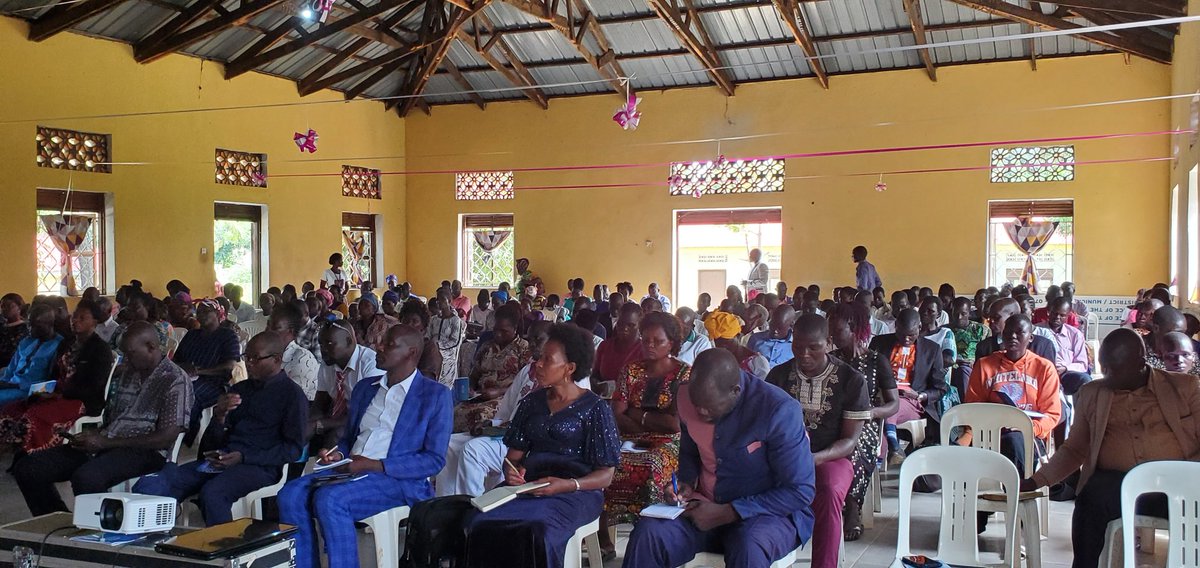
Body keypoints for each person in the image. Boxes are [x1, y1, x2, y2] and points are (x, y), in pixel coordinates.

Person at [1020, 329, 1197, 568]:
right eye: (1105, 367)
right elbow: (1074, 449)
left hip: (1178, 486)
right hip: (1117, 486)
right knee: (1089, 498)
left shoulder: (1186, 388)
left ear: (1140, 363)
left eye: (1116, 368)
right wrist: (1037, 481)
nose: (1107, 374)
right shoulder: (1092, 393)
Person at [623, 349, 814, 567]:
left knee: (748, 545)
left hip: (766, 515)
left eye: (710, 407)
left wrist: (730, 512)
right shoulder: (685, 396)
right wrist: (685, 483)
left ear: (735, 391)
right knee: (649, 533)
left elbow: (800, 491)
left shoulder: (778, 410)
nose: (701, 412)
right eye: (697, 404)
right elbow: (690, 449)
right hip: (704, 508)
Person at [280, 325, 452, 568]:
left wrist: (375, 465)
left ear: (411, 353)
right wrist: (337, 453)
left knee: (330, 500)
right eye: (381, 342)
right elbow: (349, 438)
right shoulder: (366, 388)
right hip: (351, 469)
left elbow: (434, 459)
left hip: (398, 480)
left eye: (389, 344)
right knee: (290, 494)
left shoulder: (434, 395)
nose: (379, 347)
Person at [464, 323, 618, 567]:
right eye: (539, 358)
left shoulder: (595, 409)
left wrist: (567, 485)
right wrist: (511, 473)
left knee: (537, 530)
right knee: (479, 522)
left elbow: (606, 475)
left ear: (569, 368)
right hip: (528, 489)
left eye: (547, 360)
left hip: (577, 493)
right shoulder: (531, 403)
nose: (538, 364)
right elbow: (512, 458)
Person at [14, 322, 193, 516]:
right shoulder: (127, 373)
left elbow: (166, 437)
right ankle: (56, 520)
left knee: (87, 477)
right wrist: (94, 436)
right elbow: (110, 418)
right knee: (27, 468)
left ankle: (96, 533)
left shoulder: (174, 379)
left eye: (131, 353)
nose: (126, 359)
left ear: (151, 347)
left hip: (146, 451)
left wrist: (105, 442)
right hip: (108, 443)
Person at [134, 332, 307, 525]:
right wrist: (219, 417)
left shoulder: (292, 396)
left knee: (213, 493)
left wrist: (244, 457)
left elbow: (292, 449)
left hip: (260, 467)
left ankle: (224, 550)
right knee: (152, 483)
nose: (248, 363)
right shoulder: (240, 390)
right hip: (222, 460)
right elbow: (206, 449)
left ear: (276, 359)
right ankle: (153, 543)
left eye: (255, 359)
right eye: (246, 357)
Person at [766, 314, 869, 568]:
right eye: (798, 346)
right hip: (783, 458)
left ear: (829, 342)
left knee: (829, 488)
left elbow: (850, 440)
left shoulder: (851, 380)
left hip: (830, 458)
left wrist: (814, 459)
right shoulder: (778, 377)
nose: (804, 354)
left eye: (814, 347)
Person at [602, 312, 693, 556]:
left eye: (657, 341)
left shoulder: (683, 375)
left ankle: (649, 537)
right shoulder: (631, 371)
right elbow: (616, 414)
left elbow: (674, 425)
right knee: (602, 459)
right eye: (645, 340)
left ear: (672, 343)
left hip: (669, 443)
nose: (649, 345)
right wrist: (646, 424)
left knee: (652, 463)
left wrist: (637, 414)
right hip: (628, 438)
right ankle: (603, 538)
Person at [436, 321, 555, 497]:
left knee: (473, 450)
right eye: (531, 340)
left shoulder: (560, 373)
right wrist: (490, 425)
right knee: (449, 445)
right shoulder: (528, 369)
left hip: (528, 443)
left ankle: (472, 509)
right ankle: (446, 504)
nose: (533, 345)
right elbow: (507, 407)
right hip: (507, 432)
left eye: (539, 339)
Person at [0, 301, 112, 456]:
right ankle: (14, 449)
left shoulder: (100, 349)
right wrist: (47, 389)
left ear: (95, 321)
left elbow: (94, 386)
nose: (75, 321)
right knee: (13, 408)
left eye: (82, 318)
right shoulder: (67, 343)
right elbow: (54, 374)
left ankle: (32, 455)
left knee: (33, 415)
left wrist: (60, 394)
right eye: (74, 317)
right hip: (57, 392)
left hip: (81, 400)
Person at [829, 303, 898, 541]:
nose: (832, 336)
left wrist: (871, 412)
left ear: (854, 328)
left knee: (854, 446)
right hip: (833, 421)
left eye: (837, 331)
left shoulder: (877, 361)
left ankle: (852, 507)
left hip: (865, 422)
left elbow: (894, 404)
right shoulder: (831, 361)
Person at [965, 315, 1062, 476]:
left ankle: (1017, 491)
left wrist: (1027, 427)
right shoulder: (984, 365)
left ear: (1030, 337)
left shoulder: (1044, 368)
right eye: (1008, 332)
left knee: (1014, 441)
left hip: (1030, 434)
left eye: (1019, 332)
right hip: (991, 431)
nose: (1013, 337)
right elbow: (972, 407)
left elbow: (1051, 414)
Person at [869, 309, 948, 463]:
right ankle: (885, 456)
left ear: (919, 327)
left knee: (891, 406)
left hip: (912, 401)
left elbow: (940, 389)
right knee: (882, 409)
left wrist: (920, 395)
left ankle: (890, 448)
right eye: (902, 334)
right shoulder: (879, 343)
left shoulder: (931, 350)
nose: (906, 339)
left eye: (911, 335)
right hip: (879, 396)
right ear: (896, 326)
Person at [174, 300, 241, 445]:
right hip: (186, 379)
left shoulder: (228, 336)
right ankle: (167, 432)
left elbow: (229, 366)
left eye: (206, 311)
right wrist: (184, 368)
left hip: (215, 383)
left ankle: (185, 441)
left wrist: (199, 371)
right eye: (199, 311)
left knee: (190, 394)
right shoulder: (192, 335)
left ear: (217, 314)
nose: (201, 314)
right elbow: (175, 360)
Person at [456, 307, 530, 432]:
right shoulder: (487, 346)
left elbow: (526, 383)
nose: (498, 334)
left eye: (504, 331)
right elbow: (474, 374)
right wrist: (470, 388)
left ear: (515, 328)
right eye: (495, 330)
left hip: (505, 398)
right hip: (480, 396)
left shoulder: (523, 348)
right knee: (455, 411)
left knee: (481, 415)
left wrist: (499, 391)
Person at [310, 320, 380, 449]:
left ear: (348, 341)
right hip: (338, 416)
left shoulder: (370, 364)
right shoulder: (328, 364)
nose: (323, 349)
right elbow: (320, 401)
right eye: (320, 344)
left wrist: (321, 424)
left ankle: (329, 468)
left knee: (336, 436)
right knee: (299, 429)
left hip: (366, 421)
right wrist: (310, 423)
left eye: (329, 344)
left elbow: (367, 413)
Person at [0, 304, 64, 407]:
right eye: (29, 323)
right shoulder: (26, 341)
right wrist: (4, 382)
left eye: (35, 325)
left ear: (49, 324)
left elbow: (51, 381)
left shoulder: (58, 345)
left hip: (31, 391)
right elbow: (11, 369)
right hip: (10, 384)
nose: (29, 328)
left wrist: (17, 385)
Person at [975, 298, 1057, 363]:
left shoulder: (1043, 345)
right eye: (990, 318)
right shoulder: (984, 347)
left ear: (1012, 315)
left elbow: (1049, 379)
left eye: (996, 317)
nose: (991, 322)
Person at [1041, 296, 1093, 400]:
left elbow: (1082, 364)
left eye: (1062, 315)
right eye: (1055, 313)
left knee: (1085, 380)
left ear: (1068, 316)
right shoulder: (1037, 331)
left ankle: (1081, 414)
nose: (1057, 317)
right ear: (1049, 312)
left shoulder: (1075, 335)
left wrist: (1065, 368)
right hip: (1041, 374)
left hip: (1065, 375)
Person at [267, 302, 321, 400]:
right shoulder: (268, 353)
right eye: (268, 325)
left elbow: (291, 400)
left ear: (290, 331)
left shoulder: (302, 358)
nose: (268, 331)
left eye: (275, 328)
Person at [593, 303, 645, 394]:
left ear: (640, 326)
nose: (624, 328)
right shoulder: (605, 346)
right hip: (604, 400)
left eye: (631, 325)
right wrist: (598, 385)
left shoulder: (644, 351)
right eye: (620, 323)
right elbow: (594, 375)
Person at [948, 296, 990, 395]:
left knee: (963, 371)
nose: (959, 317)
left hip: (974, 369)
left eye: (963, 314)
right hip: (949, 368)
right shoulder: (945, 330)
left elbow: (987, 356)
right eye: (956, 313)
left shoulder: (981, 330)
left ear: (969, 313)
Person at [398, 300, 443, 380]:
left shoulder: (429, 349)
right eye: (406, 321)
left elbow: (425, 382)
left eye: (414, 321)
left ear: (423, 328)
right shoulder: (398, 345)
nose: (409, 324)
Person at [428, 289, 464, 387]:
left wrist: (438, 346)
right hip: (432, 348)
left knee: (437, 357)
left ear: (449, 301)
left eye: (442, 300)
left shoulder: (455, 320)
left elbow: (454, 342)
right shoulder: (434, 319)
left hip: (448, 352)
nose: (439, 302)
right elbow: (428, 336)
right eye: (437, 300)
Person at [747, 304, 797, 370]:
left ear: (791, 325)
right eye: (773, 325)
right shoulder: (755, 339)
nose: (775, 331)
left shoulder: (796, 346)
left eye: (779, 328)